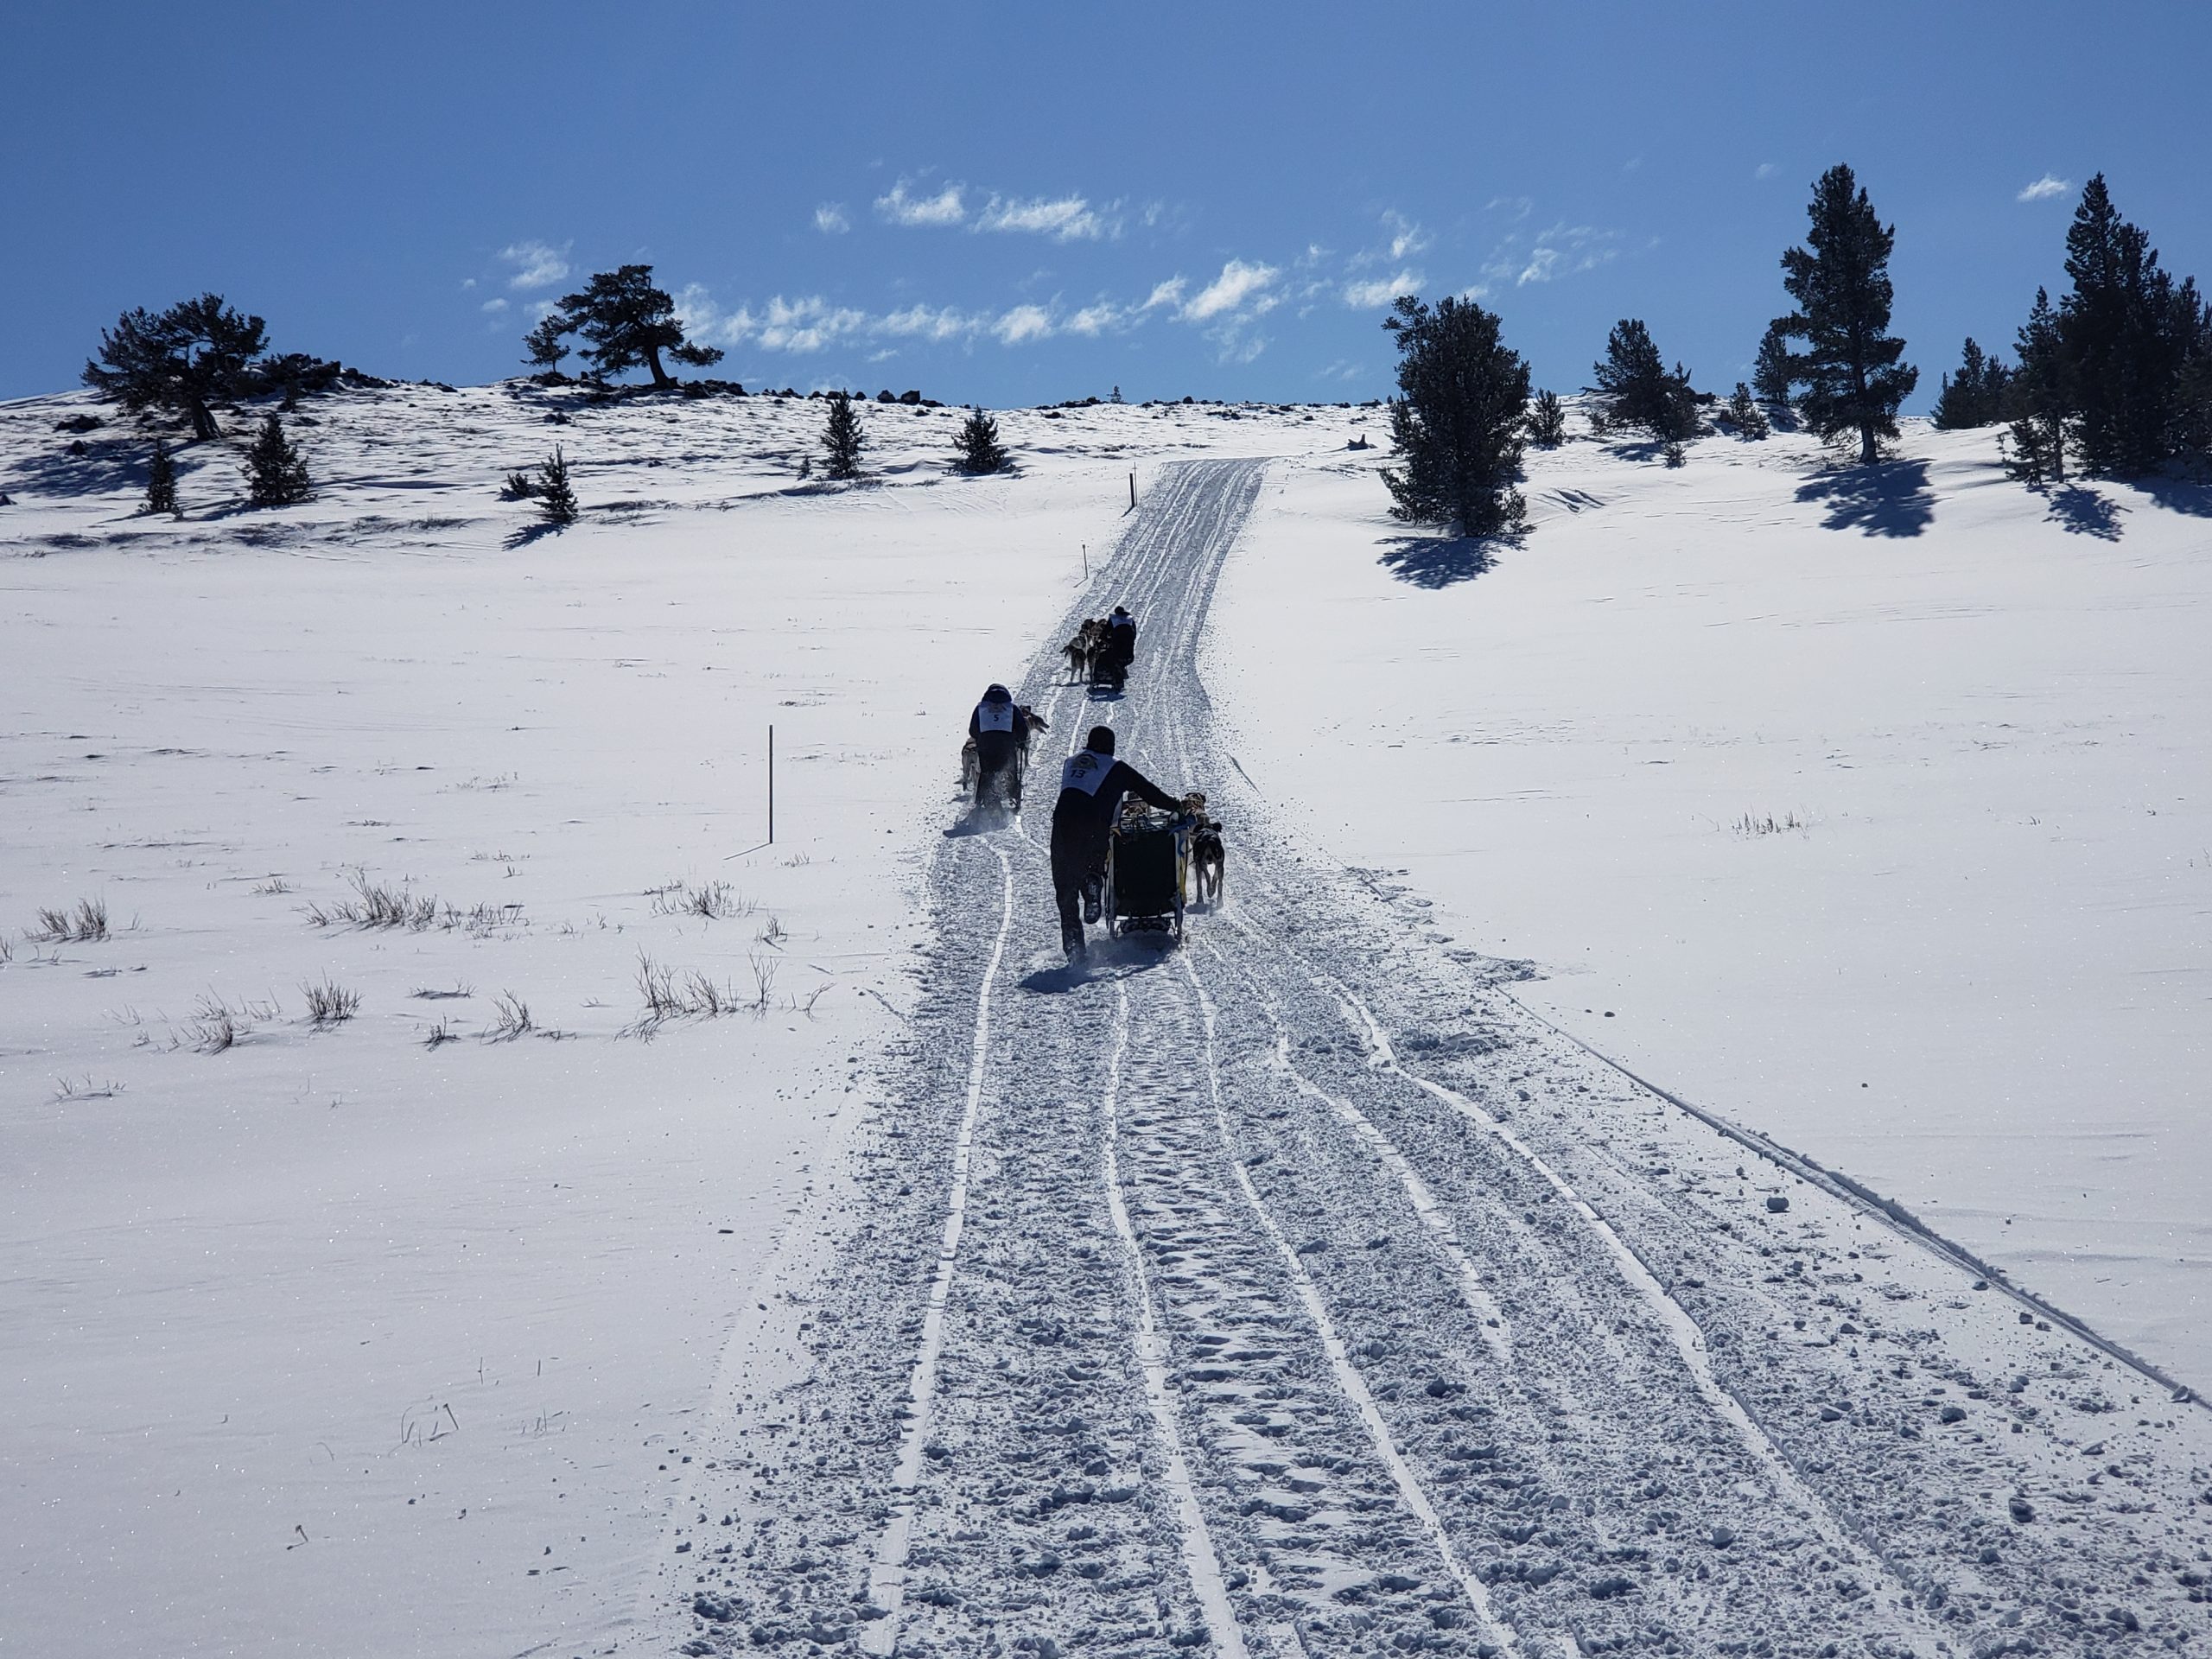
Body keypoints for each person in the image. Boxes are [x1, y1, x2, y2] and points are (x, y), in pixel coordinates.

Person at [1050, 725, 1184, 957]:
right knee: (1092, 860)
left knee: (1065, 890)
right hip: (1092, 824)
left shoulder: (1070, 762)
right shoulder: (1115, 766)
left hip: (1062, 824)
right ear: (1111, 746)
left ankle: (1075, 952)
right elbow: (1148, 791)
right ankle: (1092, 883)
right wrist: (1176, 806)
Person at [968, 683, 1025, 808]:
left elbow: (973, 730)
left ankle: (984, 796)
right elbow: (1022, 730)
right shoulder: (1012, 709)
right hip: (1007, 747)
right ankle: (1011, 792)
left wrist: (980, 738)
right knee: (1010, 769)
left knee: (987, 771)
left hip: (986, 746)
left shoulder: (980, 709)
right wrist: (1020, 740)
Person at [1101, 607, 1136, 690]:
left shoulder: (1113, 619)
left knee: (1104, 657)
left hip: (1117, 651)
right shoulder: (1130, 619)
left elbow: (1104, 634)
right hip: (1129, 654)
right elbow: (1134, 634)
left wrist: (1107, 640)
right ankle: (1121, 672)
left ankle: (1109, 676)